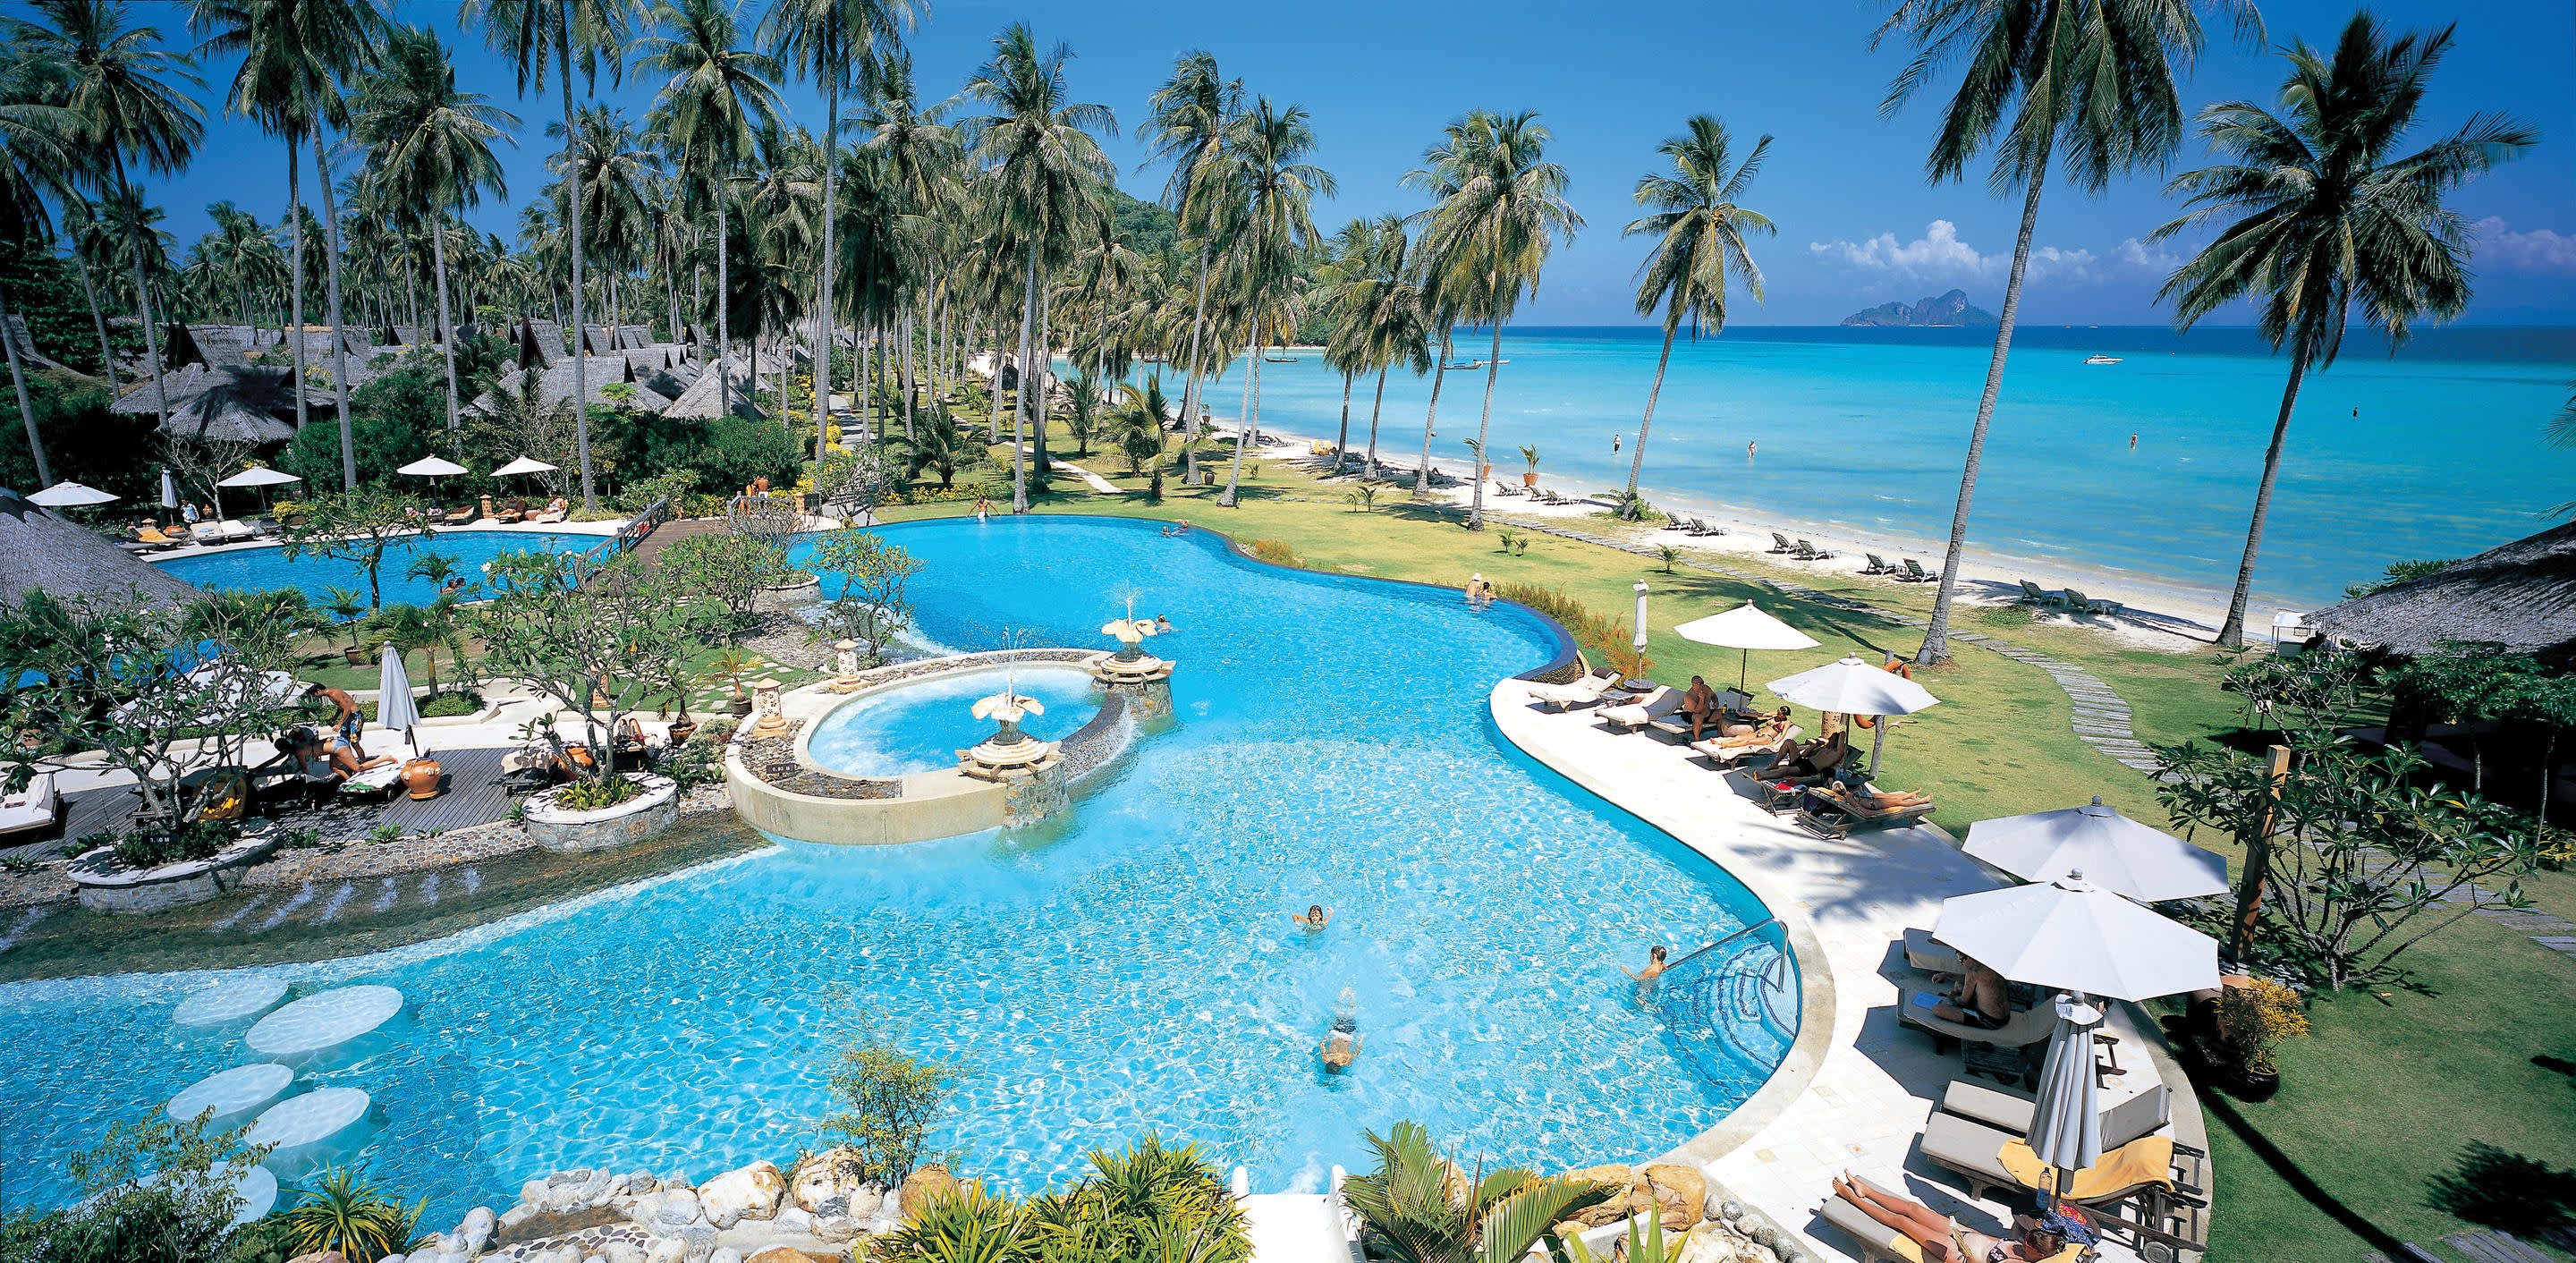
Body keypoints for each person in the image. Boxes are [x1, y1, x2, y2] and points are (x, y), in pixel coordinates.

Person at [1828, 1174, 2072, 1263]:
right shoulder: (2025, 1247)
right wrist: (1964, 1229)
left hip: (1957, 1253)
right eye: (2027, 1237)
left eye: (2028, 1242)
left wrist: (1965, 1255)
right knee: (1914, 1208)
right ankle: (1866, 1191)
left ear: (2040, 1255)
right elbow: (1993, 1240)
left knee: (1904, 1223)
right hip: (1963, 1233)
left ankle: (1852, 1198)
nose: (2024, 1241)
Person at [1929, 954, 2009, 1030]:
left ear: (1968, 958)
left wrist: (1952, 997)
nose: (1961, 964)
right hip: (2006, 1017)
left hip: (1990, 1021)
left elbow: (1963, 1001)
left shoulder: (1973, 972)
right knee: (1959, 984)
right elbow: (1968, 979)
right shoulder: (1991, 965)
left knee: (1937, 1009)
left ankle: (1958, 1008)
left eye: (1961, 961)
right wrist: (1946, 975)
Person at [309, 683, 366, 759]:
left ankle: (363, 762)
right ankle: (351, 762)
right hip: (348, 717)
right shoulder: (330, 695)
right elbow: (341, 707)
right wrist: (334, 718)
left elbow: (347, 709)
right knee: (344, 741)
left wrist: (339, 724)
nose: (314, 697)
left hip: (355, 717)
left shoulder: (334, 694)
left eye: (313, 695)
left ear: (318, 691)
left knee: (354, 743)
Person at [1319, 987, 1362, 1072]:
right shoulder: (1326, 1058)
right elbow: (1321, 1045)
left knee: (1351, 1014)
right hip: (1335, 1033)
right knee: (1339, 1013)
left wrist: (1360, 1040)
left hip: (1348, 1036)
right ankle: (1342, 995)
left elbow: (1357, 1051)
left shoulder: (1346, 1062)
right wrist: (1326, 1038)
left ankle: (1351, 996)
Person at [1679, 675, 1721, 740]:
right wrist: (1701, 699)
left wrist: (1716, 702)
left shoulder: (1706, 688)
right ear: (1693, 685)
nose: (1701, 685)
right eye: (1699, 684)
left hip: (1706, 714)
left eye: (1702, 683)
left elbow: (1714, 696)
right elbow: (1697, 711)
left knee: (1722, 713)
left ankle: (1719, 735)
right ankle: (1697, 739)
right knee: (1699, 717)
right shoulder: (1689, 696)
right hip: (1690, 714)